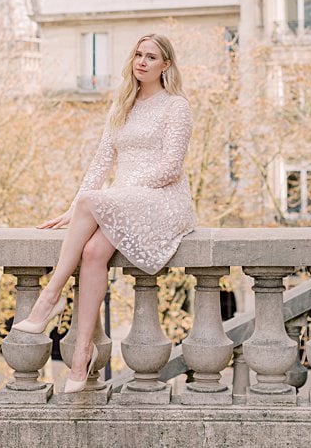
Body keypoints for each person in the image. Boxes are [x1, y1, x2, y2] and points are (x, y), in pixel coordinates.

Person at [13, 33, 196, 393]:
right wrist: (77, 206)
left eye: (152, 57)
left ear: (166, 65)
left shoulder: (177, 106)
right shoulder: (121, 107)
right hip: (122, 201)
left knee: (94, 207)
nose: (142, 62)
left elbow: (171, 167)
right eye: (138, 54)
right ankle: (82, 356)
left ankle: (49, 299)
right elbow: (100, 164)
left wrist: (110, 196)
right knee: (93, 252)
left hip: (162, 199)